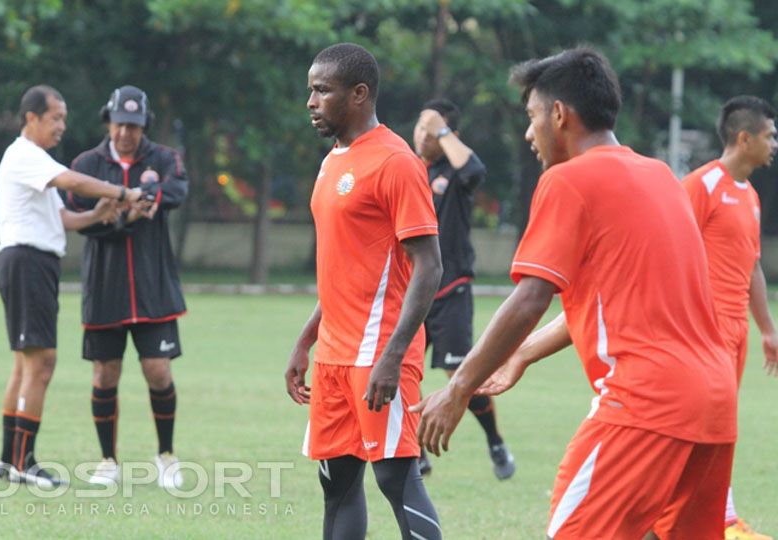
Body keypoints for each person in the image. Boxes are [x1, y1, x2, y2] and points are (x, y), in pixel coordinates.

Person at [412, 47, 738, 539]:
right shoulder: (661, 177)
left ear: (559, 114)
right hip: (714, 405)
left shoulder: (568, 180)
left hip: (645, 403)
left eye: (532, 116)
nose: (529, 133)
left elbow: (530, 297)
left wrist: (458, 390)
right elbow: (614, 295)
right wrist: (520, 354)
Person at [285, 43, 444, 540]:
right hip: (333, 353)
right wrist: (305, 340)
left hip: (378, 351)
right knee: (337, 484)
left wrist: (394, 356)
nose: (311, 101)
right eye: (310, 90)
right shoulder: (334, 159)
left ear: (358, 94)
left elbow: (429, 266)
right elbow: (344, 267)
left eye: (322, 90)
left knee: (396, 479)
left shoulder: (396, 162)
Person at [0, 85, 145, 488]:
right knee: (42, 363)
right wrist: (122, 192)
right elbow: (72, 181)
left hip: (32, 262)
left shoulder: (35, 160)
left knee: (25, 363)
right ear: (32, 118)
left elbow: (63, 219)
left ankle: (9, 458)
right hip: (27, 261)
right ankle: (25, 460)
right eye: (55, 117)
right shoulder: (25, 156)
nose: (62, 125)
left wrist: (98, 214)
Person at [65, 85, 189, 488]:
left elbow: (177, 189)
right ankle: (107, 461)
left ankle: (166, 455)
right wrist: (123, 217)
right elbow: (79, 215)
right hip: (105, 288)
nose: (125, 133)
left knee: (158, 371)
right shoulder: (86, 164)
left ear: (143, 126)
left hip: (154, 288)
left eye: (133, 126)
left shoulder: (164, 157)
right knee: (105, 375)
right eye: (119, 124)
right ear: (108, 121)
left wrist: (145, 196)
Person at [680, 96, 778, 540]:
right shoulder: (701, 186)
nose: (774, 143)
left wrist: (767, 329)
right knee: (701, 428)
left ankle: (714, 517)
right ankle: (716, 520)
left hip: (736, 330)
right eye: (769, 135)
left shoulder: (751, 196)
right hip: (705, 330)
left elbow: (752, 265)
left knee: (720, 428)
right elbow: (671, 251)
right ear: (745, 138)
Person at [412, 99, 515, 480]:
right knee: (402, 370)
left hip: (451, 289)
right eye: (420, 127)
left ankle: (495, 441)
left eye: (432, 129)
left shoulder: (454, 172)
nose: (422, 135)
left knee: (460, 372)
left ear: (448, 134)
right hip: (412, 293)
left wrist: (443, 130)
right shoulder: (408, 171)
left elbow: (475, 170)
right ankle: (415, 452)